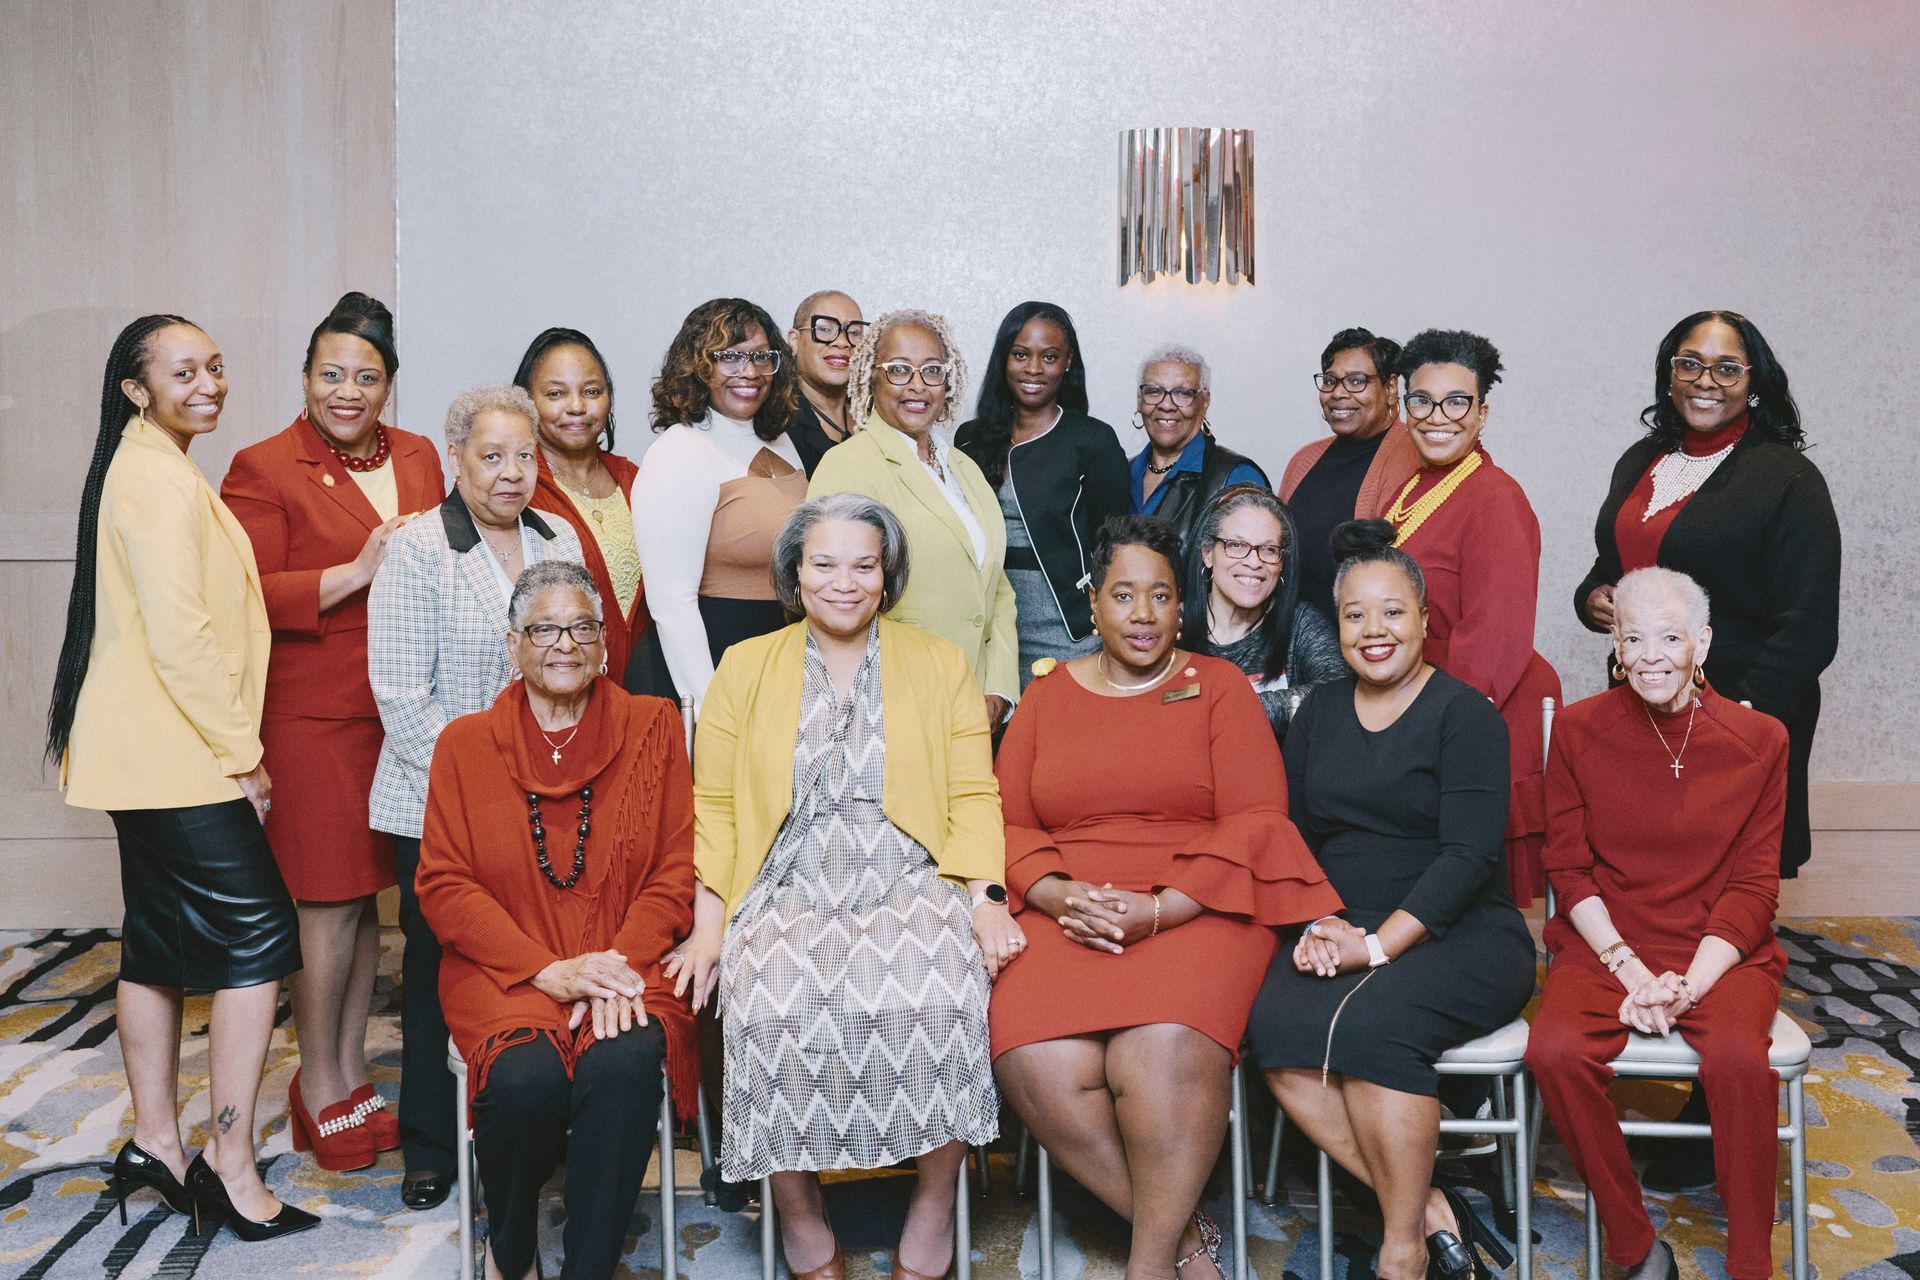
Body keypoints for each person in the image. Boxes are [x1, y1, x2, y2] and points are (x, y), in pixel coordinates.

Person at [670, 494, 1017, 1280]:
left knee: (943, 993)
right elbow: (715, 806)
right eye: (824, 564)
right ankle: (800, 1213)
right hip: (784, 873)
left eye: (864, 565)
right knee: (766, 1003)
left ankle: (933, 1203)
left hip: (909, 870)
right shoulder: (743, 667)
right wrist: (710, 925)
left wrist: (984, 899)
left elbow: (973, 791)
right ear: (794, 573)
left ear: (887, 575)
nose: (845, 582)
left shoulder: (939, 662)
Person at [991, 515, 1343, 1280]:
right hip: (1070, 908)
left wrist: (1163, 908)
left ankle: (1150, 1264)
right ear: (1094, 605)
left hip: (1199, 905)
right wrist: (1055, 895)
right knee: (1034, 1054)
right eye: (1123, 595)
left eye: (1160, 595)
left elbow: (1257, 818)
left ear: (1182, 606)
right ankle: (1186, 1241)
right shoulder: (1046, 694)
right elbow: (1006, 820)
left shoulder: (1218, 687)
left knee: (1160, 1050)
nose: (1143, 613)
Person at [48, 315, 314, 1241]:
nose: (209, 384)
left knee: (157, 943)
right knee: (259, 942)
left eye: (216, 367)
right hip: (176, 756)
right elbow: (181, 637)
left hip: (144, 755)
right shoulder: (154, 477)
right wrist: (242, 753)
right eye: (184, 372)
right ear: (136, 388)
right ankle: (229, 1165)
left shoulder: (149, 463)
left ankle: (155, 1146)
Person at [1248, 520, 1535, 1280]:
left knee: (1375, 1028)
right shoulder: (1319, 711)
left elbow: (1468, 857)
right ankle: (1433, 1210)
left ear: (1426, 619)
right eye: (1355, 614)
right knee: (1271, 1027)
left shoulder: (1466, 714)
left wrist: (1375, 946)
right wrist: (1317, 921)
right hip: (1343, 920)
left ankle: (1401, 1249)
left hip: (1459, 928)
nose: (1373, 630)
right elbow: (1294, 834)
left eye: (1392, 611)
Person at [417, 561, 696, 1280]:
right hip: (507, 973)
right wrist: (547, 971)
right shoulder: (463, 744)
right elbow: (444, 886)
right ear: (513, 645)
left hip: (625, 965)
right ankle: (512, 1251)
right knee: (525, 1082)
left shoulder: (653, 726)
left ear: (605, 644)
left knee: (624, 1064)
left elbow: (673, 871)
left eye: (582, 628)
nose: (565, 644)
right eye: (544, 629)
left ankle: (588, 1269)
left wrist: (611, 971)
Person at [221, 292, 443, 1172]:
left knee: (369, 900)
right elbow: (247, 592)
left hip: (402, 712)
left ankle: (351, 1072)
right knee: (325, 903)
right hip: (312, 717)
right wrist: (357, 570)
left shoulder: (420, 455)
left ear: (389, 384)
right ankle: (316, 1083)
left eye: (367, 377)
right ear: (306, 377)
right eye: (331, 374)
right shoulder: (263, 465)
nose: (348, 392)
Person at [1527, 568, 1789, 1280]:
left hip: (1720, 949)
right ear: (1615, 644)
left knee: (1738, 1060)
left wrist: (1690, 986)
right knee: (1553, 1052)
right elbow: (1568, 869)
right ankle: (1634, 1241)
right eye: (1633, 638)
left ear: (1702, 642)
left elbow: (1754, 885)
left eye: (1670, 638)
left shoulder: (1761, 739)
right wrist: (1632, 972)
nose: (1650, 656)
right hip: (1607, 942)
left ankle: (1751, 1259)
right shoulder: (1578, 730)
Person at [368, 383, 584, 1211]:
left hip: (551, 796)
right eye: (491, 456)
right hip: (437, 804)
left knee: (536, 960)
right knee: (437, 967)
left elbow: (573, 664)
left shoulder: (556, 536)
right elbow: (400, 697)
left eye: (524, 455)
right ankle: (430, 1144)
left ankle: (533, 1128)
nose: (511, 472)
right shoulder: (419, 547)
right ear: (455, 459)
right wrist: (485, 793)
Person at [1574, 310, 1839, 880]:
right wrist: (1592, 596)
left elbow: (1809, 627)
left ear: (1754, 382)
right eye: (1690, 364)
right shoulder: (1641, 459)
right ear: (1669, 375)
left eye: (1727, 368)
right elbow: (1615, 561)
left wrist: (1742, 718)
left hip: (1737, 704)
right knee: (1641, 864)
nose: (1706, 381)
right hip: (1641, 694)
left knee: (1725, 877)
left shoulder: (1788, 479)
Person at [1380, 330, 1560, 904]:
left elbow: (1494, 636)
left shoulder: (1495, 497)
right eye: (1422, 400)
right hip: (1419, 698)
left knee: (1467, 899)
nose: (1438, 417)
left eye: (1457, 401)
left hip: (1474, 708)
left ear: (1482, 412)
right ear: (1404, 407)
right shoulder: (1412, 487)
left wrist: (1427, 729)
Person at [809, 308, 1019, 721]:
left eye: (932, 370)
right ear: (871, 376)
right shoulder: (848, 466)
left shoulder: (964, 467)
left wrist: (998, 691)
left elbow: (996, 589)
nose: (918, 386)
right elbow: (835, 601)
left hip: (974, 701)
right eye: (899, 370)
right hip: (893, 702)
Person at [630, 297, 805, 710]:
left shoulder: (779, 439)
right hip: (703, 668)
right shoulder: (679, 450)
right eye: (729, 357)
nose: (750, 372)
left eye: (761, 357)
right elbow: (672, 605)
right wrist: (709, 709)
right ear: (698, 365)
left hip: (772, 659)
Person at [956, 301, 1130, 688]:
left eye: (1049, 357)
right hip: (985, 618)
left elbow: (1116, 543)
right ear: (1004, 359)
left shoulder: (1093, 440)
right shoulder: (970, 438)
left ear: (1068, 362)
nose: (1034, 368)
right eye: (1021, 354)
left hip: (1065, 624)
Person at [515, 326, 652, 686]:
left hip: (645, 691)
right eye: (556, 394)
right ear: (527, 402)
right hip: (559, 690)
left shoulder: (637, 480)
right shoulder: (516, 490)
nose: (576, 407)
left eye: (591, 391)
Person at [1179, 485, 1347, 744]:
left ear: (1282, 562)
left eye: (1268, 550)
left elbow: (1339, 693)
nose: (1254, 562)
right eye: (1236, 545)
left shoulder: (1300, 624)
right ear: (1208, 553)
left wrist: (1226, 710)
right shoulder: (1170, 625)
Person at [1279, 328, 1421, 626]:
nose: (1338, 393)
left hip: (1361, 640)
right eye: (1330, 381)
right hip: (1292, 639)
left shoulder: (1413, 456)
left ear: (1391, 388)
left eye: (1357, 381)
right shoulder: (1304, 459)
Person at [1127, 342, 1267, 547]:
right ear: (1139, 400)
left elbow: (1253, 559)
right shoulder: (1122, 473)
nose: (1166, 405)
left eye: (1183, 393)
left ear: (1205, 401)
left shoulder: (1235, 477)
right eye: (1154, 391)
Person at [784, 290, 866, 474]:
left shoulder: (874, 414)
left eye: (854, 332)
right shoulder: (777, 421)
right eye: (825, 329)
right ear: (795, 341)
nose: (842, 342)